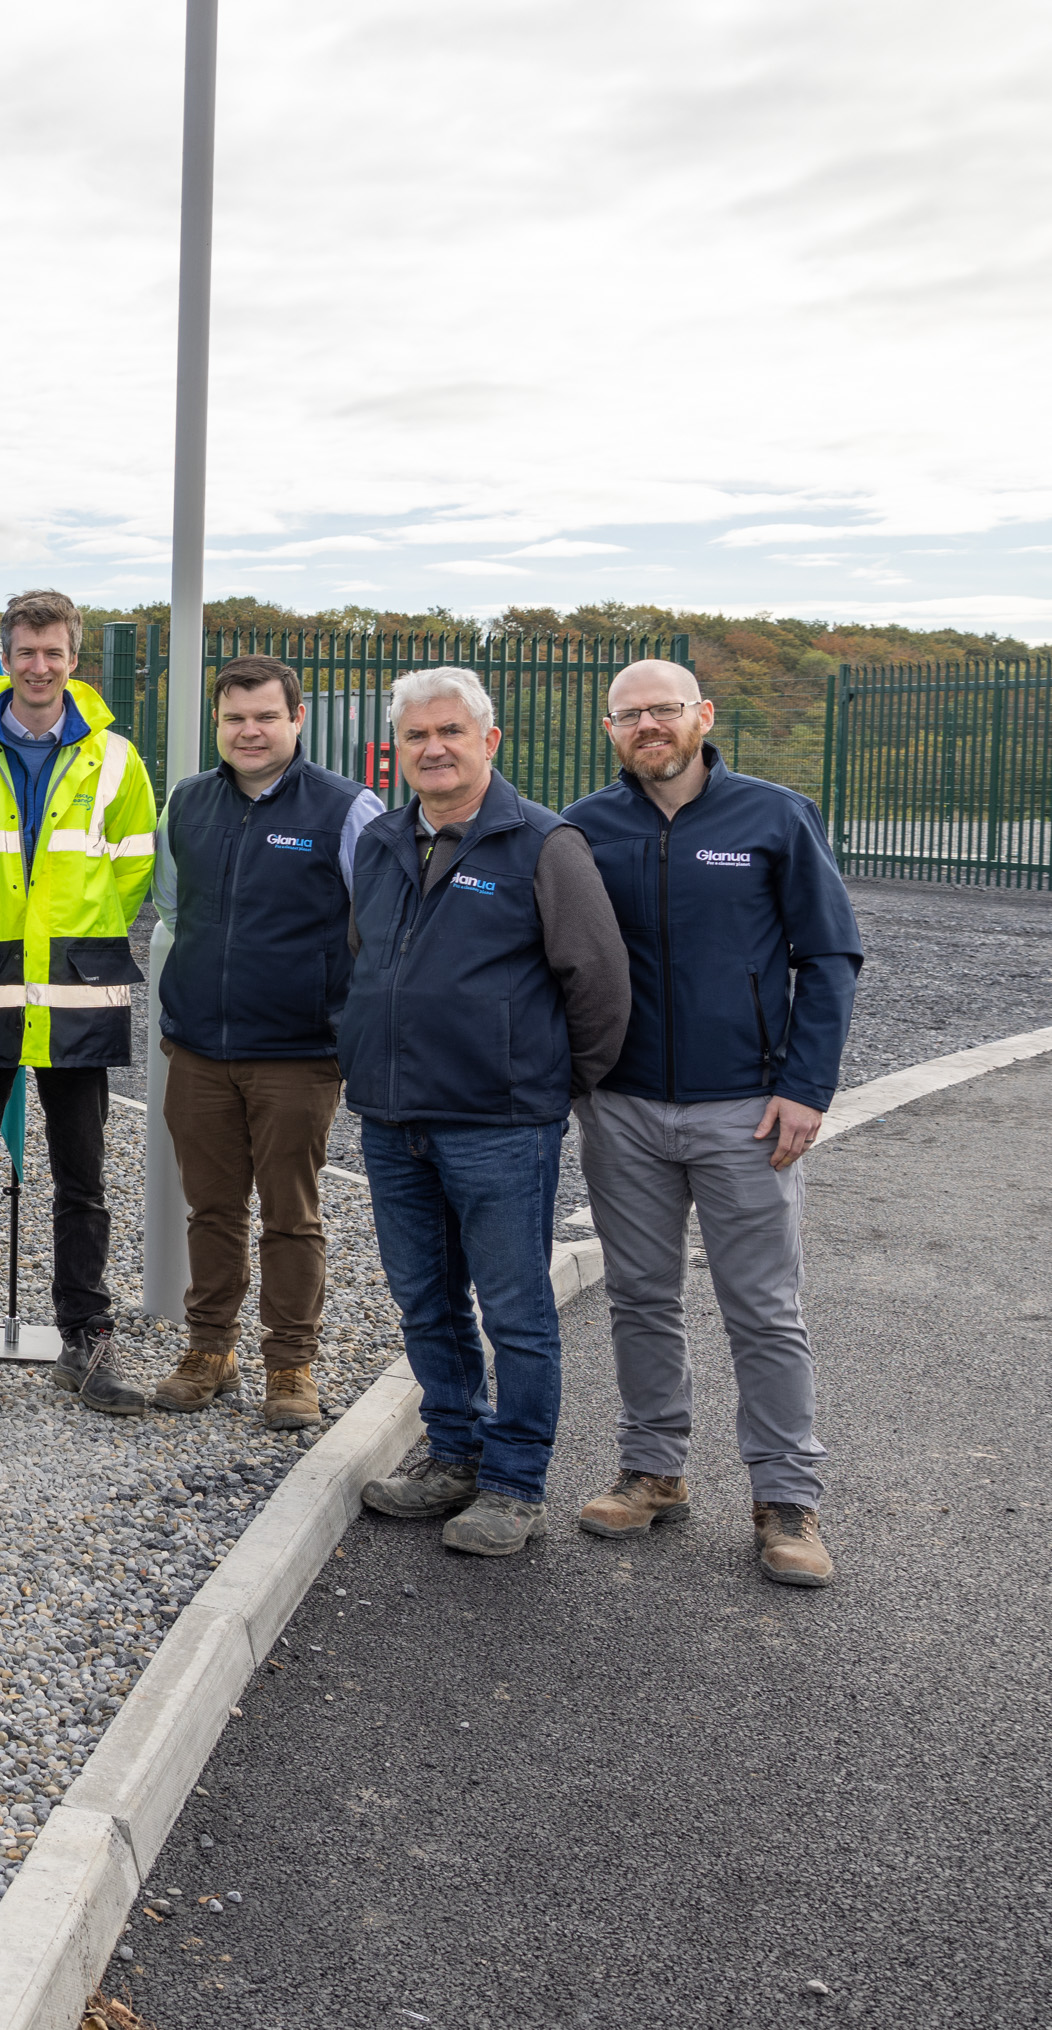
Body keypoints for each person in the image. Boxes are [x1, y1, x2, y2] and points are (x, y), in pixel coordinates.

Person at [562, 658, 863, 1588]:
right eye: (629, 715)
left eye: (663, 709)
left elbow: (829, 956)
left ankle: (786, 1499)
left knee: (764, 1309)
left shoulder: (775, 816)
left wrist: (807, 1086)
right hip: (623, 1107)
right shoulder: (583, 828)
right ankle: (653, 1470)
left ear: (704, 716)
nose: (647, 725)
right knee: (639, 1298)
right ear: (610, 729)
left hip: (747, 1109)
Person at [346, 666, 630, 1558]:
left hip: (501, 1126)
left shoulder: (543, 844)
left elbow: (598, 983)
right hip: (394, 1120)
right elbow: (364, 959)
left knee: (516, 1313)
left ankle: (514, 1484)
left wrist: (548, 1086)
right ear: (398, 750)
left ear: (488, 741)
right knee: (425, 1302)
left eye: (451, 732)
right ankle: (455, 1457)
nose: (433, 749)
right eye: (417, 736)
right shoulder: (381, 842)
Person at [0, 589, 156, 1416]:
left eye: (53, 653)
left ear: (74, 659)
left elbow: (132, 869)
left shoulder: (118, 760)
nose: (39, 666)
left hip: (79, 991)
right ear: (6, 657)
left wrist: (74, 936)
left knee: (83, 1179)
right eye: (26, 651)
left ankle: (86, 1336)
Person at [145, 655, 386, 1432]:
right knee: (211, 1210)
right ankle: (210, 1351)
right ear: (218, 723)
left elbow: (377, 925)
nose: (249, 731)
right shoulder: (187, 803)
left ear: (296, 719)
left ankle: (291, 1364)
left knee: (292, 1215)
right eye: (235, 718)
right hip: (199, 1052)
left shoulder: (346, 809)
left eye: (266, 717)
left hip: (298, 1055)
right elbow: (174, 908)